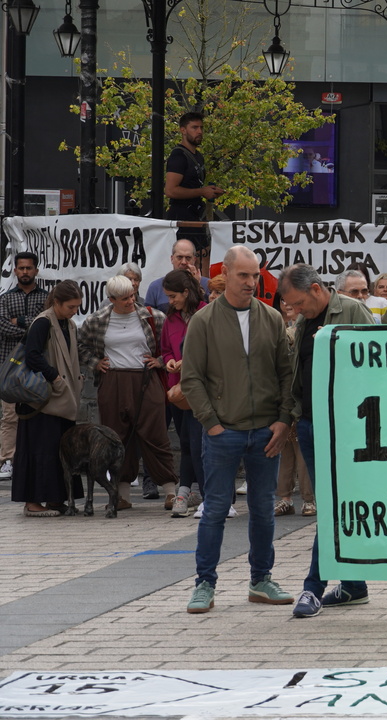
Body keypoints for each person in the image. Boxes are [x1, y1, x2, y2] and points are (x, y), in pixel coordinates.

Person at [181, 246, 295, 614]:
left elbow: (286, 373)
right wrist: (211, 424)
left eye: (255, 275)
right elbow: (191, 378)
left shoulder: (272, 318)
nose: (250, 282)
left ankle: (261, 580)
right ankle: (204, 584)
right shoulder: (204, 321)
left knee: (263, 510)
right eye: (243, 275)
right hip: (223, 433)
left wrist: (283, 420)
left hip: (265, 432)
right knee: (215, 510)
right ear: (225, 274)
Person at [278, 263, 376, 619]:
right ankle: (353, 585)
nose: (295, 310)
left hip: (345, 427)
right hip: (310, 424)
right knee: (333, 506)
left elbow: (377, 364)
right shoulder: (306, 321)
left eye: (299, 303)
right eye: (290, 305)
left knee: (333, 507)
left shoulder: (352, 311)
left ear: (317, 289)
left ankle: (313, 587)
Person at [78, 275, 178, 511]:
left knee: (155, 434)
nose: (131, 301)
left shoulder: (152, 316)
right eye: (124, 298)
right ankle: (122, 496)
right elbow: (81, 346)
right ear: (111, 299)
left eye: (132, 295)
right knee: (117, 437)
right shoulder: (97, 320)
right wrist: (95, 363)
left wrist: (160, 360)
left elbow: (172, 345)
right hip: (113, 380)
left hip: (146, 379)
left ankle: (171, 492)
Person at [10, 281, 82, 517]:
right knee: (39, 448)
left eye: (77, 307)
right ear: (57, 302)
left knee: (57, 448)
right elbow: (32, 355)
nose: (74, 311)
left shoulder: (68, 324)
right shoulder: (43, 322)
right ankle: (32, 502)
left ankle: (55, 498)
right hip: (42, 399)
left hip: (61, 397)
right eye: (71, 306)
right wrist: (55, 377)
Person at [159, 270, 208, 518]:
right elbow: (166, 349)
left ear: (186, 292)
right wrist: (169, 360)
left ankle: (205, 494)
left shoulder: (206, 313)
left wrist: (187, 363)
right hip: (177, 391)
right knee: (186, 442)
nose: (170, 301)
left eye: (173, 296)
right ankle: (186, 492)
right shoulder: (170, 318)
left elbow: (211, 350)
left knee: (200, 444)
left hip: (201, 389)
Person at [0, 252, 49, 482]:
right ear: (15, 271)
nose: (25, 272)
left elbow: (46, 325)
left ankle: (33, 460)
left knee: (38, 414)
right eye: (21, 268)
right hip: (10, 367)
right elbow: (2, 326)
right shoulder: (5, 299)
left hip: (38, 366)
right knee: (10, 416)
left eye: (29, 268)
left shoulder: (46, 298)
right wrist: (32, 328)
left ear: (36, 270)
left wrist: (18, 320)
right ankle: (8, 460)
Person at [271, 293, 312, 518]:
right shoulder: (275, 324)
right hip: (280, 394)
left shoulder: (306, 324)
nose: (287, 305)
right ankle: (284, 498)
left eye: (291, 301)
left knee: (302, 450)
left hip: (300, 393)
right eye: (282, 301)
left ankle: (309, 499)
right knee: (283, 447)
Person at [164, 111, 224, 249]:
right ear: (183, 130)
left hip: (196, 214)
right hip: (182, 216)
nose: (199, 131)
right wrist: (202, 192)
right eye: (194, 128)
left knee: (205, 253)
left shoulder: (198, 156)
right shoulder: (178, 156)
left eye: (201, 128)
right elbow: (170, 191)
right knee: (191, 255)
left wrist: (210, 191)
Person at [144, 238, 209, 313]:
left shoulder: (207, 285)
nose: (184, 262)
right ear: (172, 259)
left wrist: (196, 285)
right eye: (179, 257)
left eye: (188, 258)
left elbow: (210, 313)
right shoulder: (155, 287)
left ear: (194, 260)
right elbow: (148, 317)